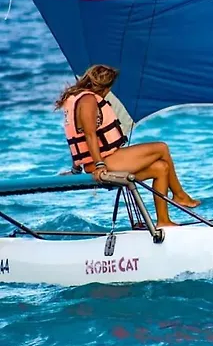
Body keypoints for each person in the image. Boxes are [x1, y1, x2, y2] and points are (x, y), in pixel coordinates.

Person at [55, 64, 200, 227]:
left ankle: (163, 221)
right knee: (161, 148)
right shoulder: (88, 100)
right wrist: (100, 165)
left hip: (101, 161)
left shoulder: (78, 98)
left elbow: (77, 139)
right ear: (105, 87)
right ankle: (179, 195)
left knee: (161, 168)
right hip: (103, 163)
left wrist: (75, 169)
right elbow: (89, 135)